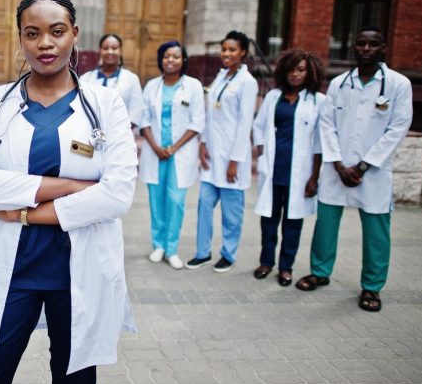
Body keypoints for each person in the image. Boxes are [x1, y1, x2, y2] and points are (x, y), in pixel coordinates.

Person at [0, 0, 137, 384]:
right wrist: (72, 187)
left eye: (56, 31)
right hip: (9, 269)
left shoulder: (105, 105)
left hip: (76, 271)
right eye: (32, 33)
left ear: (75, 34)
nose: (45, 44)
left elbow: (118, 195)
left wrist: (23, 212)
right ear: (20, 38)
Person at [296, 26, 412, 312]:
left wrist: (362, 166)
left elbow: (398, 128)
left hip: (372, 172)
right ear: (353, 47)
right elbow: (327, 125)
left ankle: (372, 287)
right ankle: (320, 272)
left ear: (383, 48)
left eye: (372, 45)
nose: (366, 49)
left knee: (376, 231)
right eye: (360, 44)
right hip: (337, 170)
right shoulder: (339, 84)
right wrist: (337, 164)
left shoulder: (398, 84)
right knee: (325, 224)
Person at [186, 30, 258, 273]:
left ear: (243, 53)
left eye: (232, 50)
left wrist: (235, 161)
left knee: (231, 214)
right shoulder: (220, 77)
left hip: (231, 159)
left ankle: (228, 253)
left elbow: (245, 123)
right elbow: (209, 115)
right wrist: (203, 144)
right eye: (224, 49)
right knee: (204, 206)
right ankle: (202, 252)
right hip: (212, 155)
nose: (226, 54)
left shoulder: (248, 83)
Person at [252, 49, 325, 286]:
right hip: (273, 171)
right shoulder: (274, 97)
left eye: (301, 70)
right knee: (269, 221)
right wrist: (262, 153)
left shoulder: (317, 101)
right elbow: (259, 127)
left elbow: (319, 143)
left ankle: (286, 267)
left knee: (293, 223)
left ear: (310, 72)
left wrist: (314, 178)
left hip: (300, 174)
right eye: (291, 69)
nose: (295, 74)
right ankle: (266, 262)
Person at [138, 41, 205, 270]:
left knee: (176, 202)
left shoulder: (193, 86)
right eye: (167, 56)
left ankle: (172, 248)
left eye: (176, 56)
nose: (171, 60)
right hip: (155, 152)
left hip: (180, 153)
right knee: (156, 201)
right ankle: (158, 245)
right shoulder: (151, 86)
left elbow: (198, 122)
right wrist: (156, 147)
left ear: (183, 60)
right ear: (161, 59)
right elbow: (144, 119)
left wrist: (173, 148)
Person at [79, 33, 144, 127]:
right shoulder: (85, 79)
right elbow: (81, 108)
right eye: (105, 48)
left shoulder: (132, 79)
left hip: (121, 134)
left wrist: (118, 133)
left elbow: (136, 112)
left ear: (121, 51)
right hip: (89, 133)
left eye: (114, 48)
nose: (110, 51)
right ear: (100, 50)